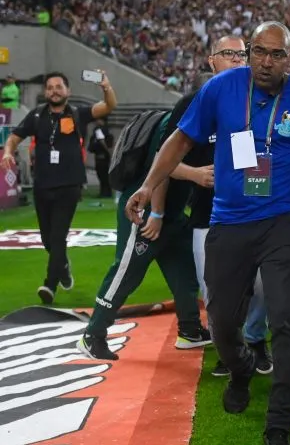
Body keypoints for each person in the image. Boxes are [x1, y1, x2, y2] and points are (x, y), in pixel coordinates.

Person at [124, 21, 290, 445]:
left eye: (276, 54)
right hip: (229, 220)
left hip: (284, 220)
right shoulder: (221, 89)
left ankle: (279, 426)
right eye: (258, 51)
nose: (266, 61)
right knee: (222, 321)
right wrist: (149, 186)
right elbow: (181, 139)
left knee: (287, 320)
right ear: (249, 53)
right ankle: (241, 368)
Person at [77, 84, 214, 359]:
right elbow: (161, 165)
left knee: (186, 273)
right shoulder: (184, 117)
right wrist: (158, 213)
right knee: (127, 270)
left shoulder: (202, 115)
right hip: (145, 209)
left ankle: (189, 329)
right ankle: (93, 334)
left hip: (173, 214)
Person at [186, 37, 272, 378]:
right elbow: (165, 156)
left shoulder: (264, 102)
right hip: (208, 216)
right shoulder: (193, 103)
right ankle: (229, 349)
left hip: (255, 212)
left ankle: (253, 338)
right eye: (228, 54)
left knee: (263, 286)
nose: (237, 59)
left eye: (241, 54)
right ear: (211, 61)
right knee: (216, 294)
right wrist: (192, 173)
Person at [2, 71, 117, 303]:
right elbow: (15, 137)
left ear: (68, 91)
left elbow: (108, 106)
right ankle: (62, 266)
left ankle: (50, 285)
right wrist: (7, 152)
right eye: (50, 87)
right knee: (47, 239)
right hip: (42, 185)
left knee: (58, 237)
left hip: (70, 184)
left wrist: (106, 87)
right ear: (46, 92)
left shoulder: (78, 114)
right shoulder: (35, 116)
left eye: (59, 86)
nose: (54, 90)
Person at [88, 119, 114, 198]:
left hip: (102, 157)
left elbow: (104, 142)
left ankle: (106, 193)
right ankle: (104, 192)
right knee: (103, 175)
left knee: (103, 176)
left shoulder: (102, 130)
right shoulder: (103, 130)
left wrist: (108, 152)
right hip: (101, 157)